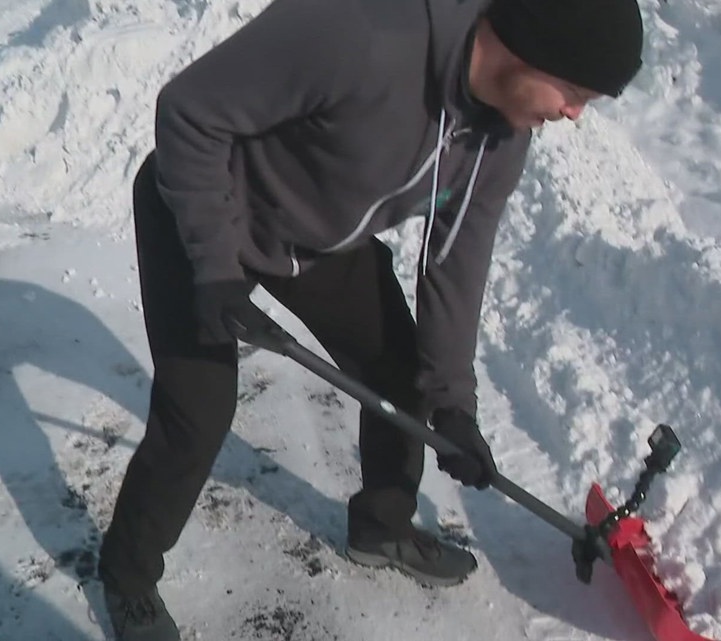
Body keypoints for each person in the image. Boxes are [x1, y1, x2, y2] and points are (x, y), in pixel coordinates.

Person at [96, 0, 643, 638]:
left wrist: (454, 408)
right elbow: (189, 111)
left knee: (401, 370)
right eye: (574, 92)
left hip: (316, 242)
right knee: (198, 410)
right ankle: (127, 575)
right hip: (201, 212)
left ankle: (381, 527)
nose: (574, 115)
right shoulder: (361, 32)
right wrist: (215, 267)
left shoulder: (500, 140)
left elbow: (454, 265)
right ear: (529, 49)